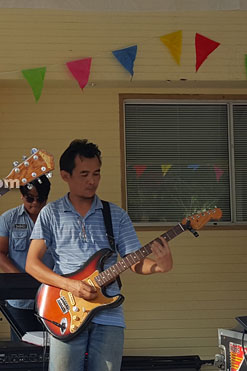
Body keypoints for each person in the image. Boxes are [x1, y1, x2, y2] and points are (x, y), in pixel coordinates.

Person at [25, 139, 173, 371]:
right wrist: (71, 286)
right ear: (65, 175)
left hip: (109, 315)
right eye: (84, 174)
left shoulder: (116, 215)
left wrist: (159, 266)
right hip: (64, 311)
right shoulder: (51, 213)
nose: (92, 180)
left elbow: (134, 262)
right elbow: (32, 265)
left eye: (96, 173)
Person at [0, 175, 52, 341]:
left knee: (52, 347)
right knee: (23, 347)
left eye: (40, 199)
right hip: (19, 299)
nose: (35, 203)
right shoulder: (8, 219)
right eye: (30, 198)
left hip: (51, 297)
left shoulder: (55, 219)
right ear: (22, 196)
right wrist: (22, 280)